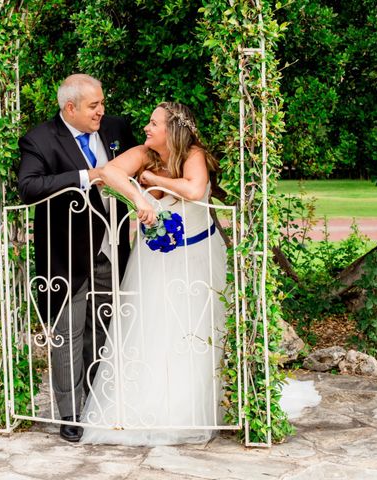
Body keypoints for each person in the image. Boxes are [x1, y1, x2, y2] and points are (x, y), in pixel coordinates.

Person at [80, 102, 228, 445]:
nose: (146, 128)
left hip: (196, 257)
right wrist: (139, 196)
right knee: (149, 328)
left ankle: (184, 410)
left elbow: (192, 190)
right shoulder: (144, 153)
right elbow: (108, 172)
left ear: (172, 129)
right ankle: (142, 406)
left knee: (190, 333)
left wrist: (153, 180)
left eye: (153, 123)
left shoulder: (194, 155)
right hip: (152, 260)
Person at [17, 74, 136, 442]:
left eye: (102, 103)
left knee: (103, 329)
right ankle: (70, 414)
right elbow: (29, 186)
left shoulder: (116, 130)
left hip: (112, 249)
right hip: (65, 256)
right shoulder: (39, 139)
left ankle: (97, 403)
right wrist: (86, 176)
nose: (102, 111)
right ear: (70, 108)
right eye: (93, 106)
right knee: (67, 333)